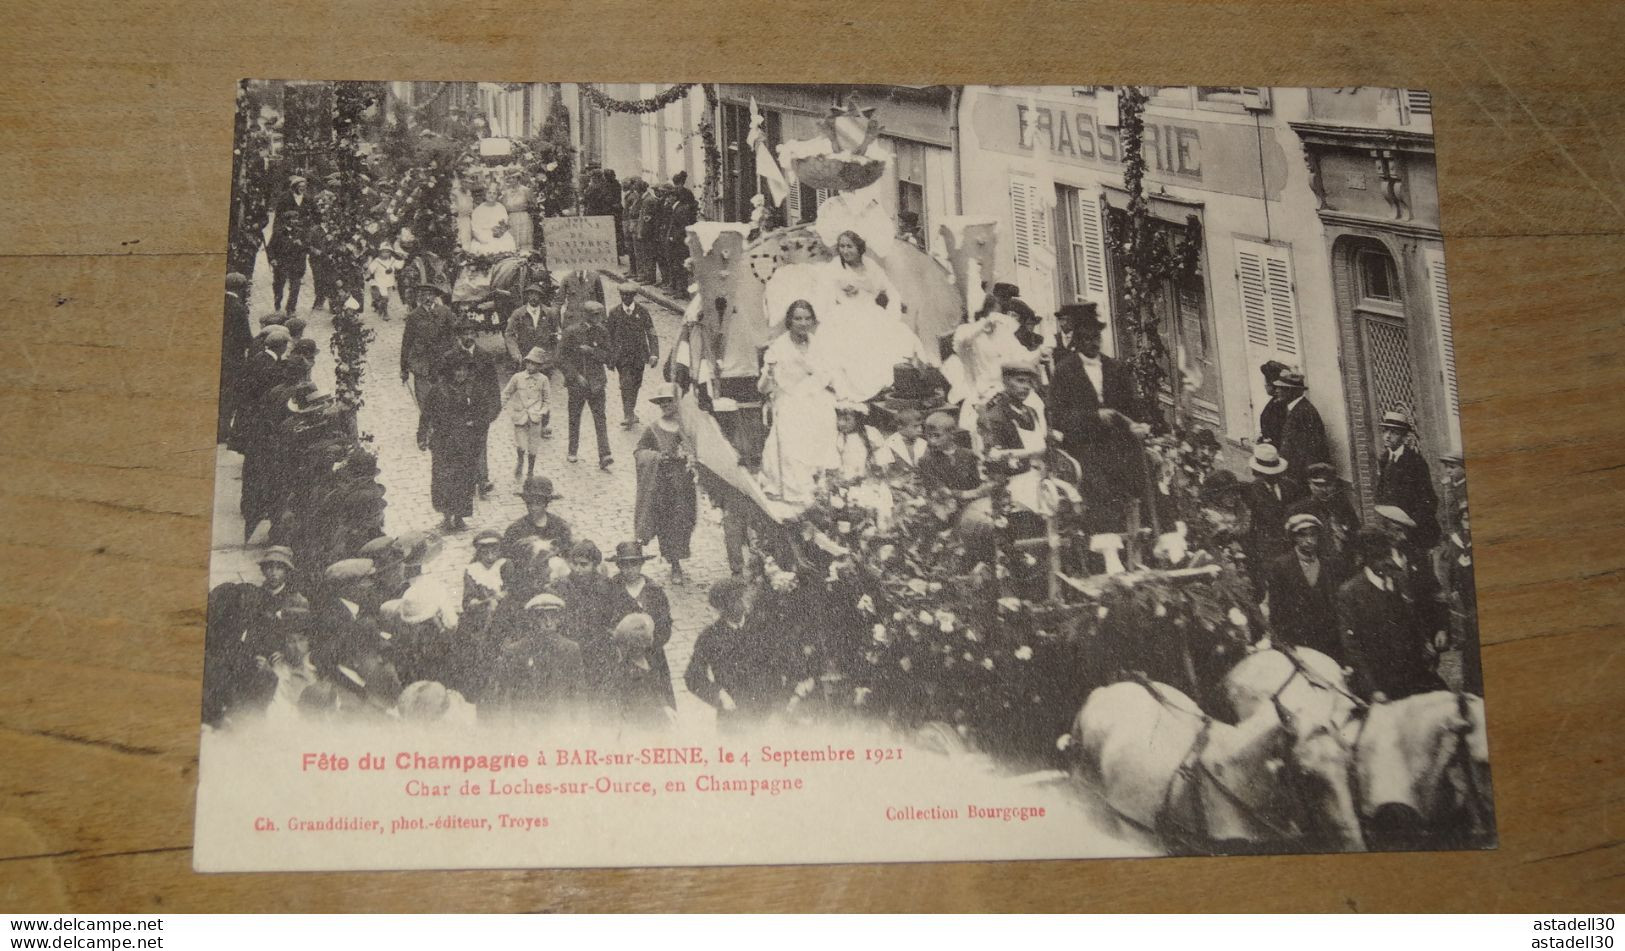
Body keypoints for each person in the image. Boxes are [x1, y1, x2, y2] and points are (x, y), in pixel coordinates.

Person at [1048, 303, 1147, 530]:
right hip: (1083, 444)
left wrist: (1139, 424)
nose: (1091, 343)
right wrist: (1093, 416)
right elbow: (1058, 415)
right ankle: (1106, 542)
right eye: (1085, 338)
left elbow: (1131, 407)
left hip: (1118, 442)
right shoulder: (1065, 371)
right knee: (1099, 484)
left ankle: (1150, 538)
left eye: (1095, 338)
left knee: (1145, 471)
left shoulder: (1115, 368)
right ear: (1077, 340)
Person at [817, 230, 930, 402]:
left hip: (871, 312)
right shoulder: (834, 267)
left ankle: (890, 386)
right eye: (842, 246)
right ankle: (861, 389)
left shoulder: (870, 266)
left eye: (850, 246)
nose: (845, 251)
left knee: (902, 339)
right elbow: (824, 295)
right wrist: (831, 314)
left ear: (859, 248)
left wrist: (892, 316)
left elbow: (890, 290)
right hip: (844, 315)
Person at [1337, 529, 1447, 703]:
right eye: (1378, 557)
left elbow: (1412, 620)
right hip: (1380, 680)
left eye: (1386, 554)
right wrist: (1372, 689)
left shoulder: (1398, 581)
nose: (1386, 562)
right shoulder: (1350, 592)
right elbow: (1352, 646)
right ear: (1366, 559)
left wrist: (1425, 646)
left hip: (1411, 673)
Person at [759, 300, 840, 504]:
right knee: (793, 423)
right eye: (797, 318)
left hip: (815, 394)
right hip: (789, 396)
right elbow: (763, 388)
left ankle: (820, 485)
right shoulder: (778, 347)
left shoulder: (819, 344)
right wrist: (769, 372)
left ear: (812, 321)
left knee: (825, 416)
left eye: (807, 318)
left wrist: (813, 383)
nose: (803, 323)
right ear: (789, 321)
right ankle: (796, 486)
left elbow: (827, 374)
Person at [685, 577, 787, 732]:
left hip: (769, 709)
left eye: (742, 597)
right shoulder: (710, 637)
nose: (743, 603)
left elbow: (782, 661)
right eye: (735, 600)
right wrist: (719, 695)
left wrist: (782, 702)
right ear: (722, 608)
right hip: (734, 715)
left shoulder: (762, 626)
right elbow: (693, 676)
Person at [633, 384, 697, 582]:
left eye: (669, 400)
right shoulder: (653, 429)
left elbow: (698, 449)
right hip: (661, 485)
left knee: (685, 521)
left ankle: (679, 555)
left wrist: (690, 456)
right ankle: (674, 563)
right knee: (667, 523)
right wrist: (657, 457)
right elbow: (639, 452)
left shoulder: (686, 426)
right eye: (662, 402)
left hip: (684, 484)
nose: (666, 405)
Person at [486, 593, 583, 722]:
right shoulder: (516, 650)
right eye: (542, 617)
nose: (548, 623)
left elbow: (578, 692)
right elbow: (507, 694)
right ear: (532, 620)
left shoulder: (570, 649)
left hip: (559, 720)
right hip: (527, 720)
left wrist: (577, 725)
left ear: (559, 619)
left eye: (553, 617)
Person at [1265, 514, 1349, 661]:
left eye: (1313, 535)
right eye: (1302, 536)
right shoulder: (1281, 566)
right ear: (1294, 538)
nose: (1309, 541)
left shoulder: (1329, 564)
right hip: (1298, 639)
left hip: (1329, 639)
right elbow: (1276, 609)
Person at [418, 353, 486, 532]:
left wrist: (475, 423)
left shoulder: (474, 389)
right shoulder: (437, 390)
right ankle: (447, 517)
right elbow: (426, 415)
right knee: (443, 480)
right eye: (457, 370)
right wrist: (422, 436)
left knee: (464, 480)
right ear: (449, 371)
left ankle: (460, 517)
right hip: (443, 443)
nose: (461, 373)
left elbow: (484, 413)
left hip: (466, 443)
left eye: (464, 369)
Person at [608, 541, 677, 708]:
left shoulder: (654, 591)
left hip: (652, 654)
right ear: (618, 565)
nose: (630, 569)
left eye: (634, 564)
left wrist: (651, 642)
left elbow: (665, 625)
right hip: (623, 657)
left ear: (641, 564)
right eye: (625, 564)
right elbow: (606, 620)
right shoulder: (611, 589)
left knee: (658, 697)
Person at [558, 300, 615, 469]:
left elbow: (609, 357)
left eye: (599, 315)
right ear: (585, 315)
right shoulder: (571, 332)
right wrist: (574, 376)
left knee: (600, 419)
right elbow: (560, 358)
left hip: (597, 383)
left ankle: (605, 454)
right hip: (577, 385)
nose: (597, 318)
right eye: (593, 315)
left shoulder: (603, 332)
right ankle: (572, 450)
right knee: (574, 418)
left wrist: (592, 351)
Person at [1374, 411, 1441, 550]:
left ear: (1404, 437)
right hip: (1391, 523)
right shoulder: (1385, 458)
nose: (1387, 436)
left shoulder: (1415, 462)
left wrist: (1413, 522)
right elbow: (1381, 488)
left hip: (1412, 527)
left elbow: (1429, 499)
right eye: (1386, 431)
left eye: (1394, 432)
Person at [607, 282, 660, 429]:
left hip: (639, 355)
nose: (625, 298)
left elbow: (651, 332)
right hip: (621, 356)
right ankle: (628, 414)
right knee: (625, 384)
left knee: (636, 384)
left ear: (633, 296)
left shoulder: (642, 312)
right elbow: (608, 335)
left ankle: (631, 411)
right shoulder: (614, 312)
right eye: (623, 295)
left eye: (628, 295)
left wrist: (654, 354)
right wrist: (609, 356)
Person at [608, 613, 674, 729]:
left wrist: (664, 705)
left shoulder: (650, 661)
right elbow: (639, 708)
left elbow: (658, 688)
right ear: (645, 643)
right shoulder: (627, 672)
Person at [1288, 462, 1361, 566]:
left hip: (1344, 560)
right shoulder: (1298, 510)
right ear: (1310, 484)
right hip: (1316, 562)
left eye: (1329, 485)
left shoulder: (1342, 504)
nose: (1324, 490)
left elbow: (1355, 528)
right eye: (1318, 485)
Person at [1244, 443, 1304, 568]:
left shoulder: (1290, 486)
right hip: (1268, 546)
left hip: (1291, 542)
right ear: (1259, 472)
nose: (1273, 476)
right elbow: (1252, 523)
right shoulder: (1253, 490)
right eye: (1267, 473)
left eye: (1275, 473)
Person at [401, 282, 456, 405]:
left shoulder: (445, 312)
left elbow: (453, 337)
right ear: (418, 297)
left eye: (430, 294)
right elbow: (407, 343)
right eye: (422, 295)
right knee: (424, 400)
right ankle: (427, 423)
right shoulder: (413, 316)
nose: (426, 298)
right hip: (421, 363)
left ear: (435, 296)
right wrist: (403, 368)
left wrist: (455, 357)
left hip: (442, 362)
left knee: (444, 398)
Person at [501, 347, 551, 480]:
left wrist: (541, 411)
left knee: (533, 447)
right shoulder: (517, 377)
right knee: (521, 445)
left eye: (534, 363)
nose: (530, 365)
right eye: (529, 362)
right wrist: (498, 406)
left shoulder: (543, 380)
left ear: (539, 365)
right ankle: (520, 460)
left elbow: (547, 400)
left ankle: (530, 471)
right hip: (520, 416)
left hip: (535, 418)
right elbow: (506, 393)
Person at [1271, 370, 1331, 477]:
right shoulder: (1295, 409)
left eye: (1280, 388)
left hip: (1302, 474)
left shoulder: (1305, 412)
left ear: (1290, 391)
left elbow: (1313, 449)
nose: (1276, 391)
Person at [268, 175, 312, 314]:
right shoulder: (284, 199)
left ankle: (291, 308)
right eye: (300, 188)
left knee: (295, 285)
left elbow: (307, 245)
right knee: (279, 283)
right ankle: (277, 302)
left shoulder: (302, 232)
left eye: (304, 188)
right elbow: (271, 246)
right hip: (282, 260)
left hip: (297, 261)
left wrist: (303, 244)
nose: (302, 190)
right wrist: (273, 258)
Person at [219, 272, 254, 443]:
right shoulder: (238, 308)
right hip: (233, 360)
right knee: (228, 396)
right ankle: (222, 431)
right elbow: (246, 338)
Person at [462, 529, 508, 652]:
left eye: (494, 550)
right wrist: (485, 602)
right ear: (479, 552)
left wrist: (503, 595)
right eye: (485, 551)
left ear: (499, 551)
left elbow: (513, 587)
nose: (489, 555)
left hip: (505, 611)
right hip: (482, 614)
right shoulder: (472, 570)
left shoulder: (505, 565)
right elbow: (468, 600)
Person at [918, 411, 982, 496]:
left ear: (951, 434)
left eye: (937, 436)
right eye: (929, 436)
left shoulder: (968, 455)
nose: (932, 441)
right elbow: (938, 489)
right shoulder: (927, 460)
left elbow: (977, 483)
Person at [503, 476, 573, 552]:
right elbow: (508, 555)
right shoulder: (515, 529)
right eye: (529, 503)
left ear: (546, 503)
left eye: (538, 503)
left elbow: (568, 553)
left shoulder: (560, 526)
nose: (533, 507)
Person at [505, 286, 559, 377]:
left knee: (543, 386)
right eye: (530, 294)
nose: (533, 297)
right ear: (527, 296)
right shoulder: (518, 313)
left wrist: (552, 356)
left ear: (541, 297)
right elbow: (509, 334)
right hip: (525, 358)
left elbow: (556, 335)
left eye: (536, 295)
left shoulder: (549, 313)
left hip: (544, 360)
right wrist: (515, 353)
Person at [665, 172, 700, 294]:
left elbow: (682, 224)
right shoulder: (679, 204)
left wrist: (674, 237)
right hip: (678, 238)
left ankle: (681, 290)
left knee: (679, 264)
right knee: (676, 263)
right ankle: (677, 288)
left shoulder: (682, 206)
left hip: (680, 240)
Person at [833, 403, 883, 481]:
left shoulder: (870, 433)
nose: (841, 423)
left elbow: (881, 454)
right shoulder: (839, 437)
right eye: (838, 419)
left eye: (847, 419)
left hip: (868, 476)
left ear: (858, 419)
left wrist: (878, 467)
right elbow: (836, 461)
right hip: (847, 477)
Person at [468, 182, 516, 256]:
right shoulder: (478, 210)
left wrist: (500, 232)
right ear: (485, 194)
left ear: (497, 195)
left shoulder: (500, 207)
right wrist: (482, 239)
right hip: (483, 236)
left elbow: (505, 224)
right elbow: (475, 228)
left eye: (494, 193)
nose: (491, 195)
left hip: (499, 235)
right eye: (489, 193)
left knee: (506, 245)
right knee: (486, 250)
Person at [880, 406, 927, 472]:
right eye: (915, 426)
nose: (920, 429)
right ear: (900, 428)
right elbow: (885, 469)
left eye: (920, 426)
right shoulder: (889, 444)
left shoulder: (923, 443)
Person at [634, 180, 662, 284]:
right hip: (648, 232)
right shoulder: (647, 199)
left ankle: (649, 278)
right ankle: (647, 276)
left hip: (648, 233)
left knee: (648, 255)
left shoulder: (647, 200)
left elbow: (647, 219)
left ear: (639, 190)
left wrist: (642, 233)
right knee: (646, 255)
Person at [365, 244, 400, 320]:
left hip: (390, 283)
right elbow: (370, 270)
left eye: (388, 252)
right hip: (380, 282)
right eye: (384, 252)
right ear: (380, 252)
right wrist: (368, 274)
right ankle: (385, 313)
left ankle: (377, 305)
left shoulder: (392, 260)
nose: (386, 254)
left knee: (387, 299)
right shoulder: (377, 261)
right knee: (385, 297)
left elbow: (399, 266)